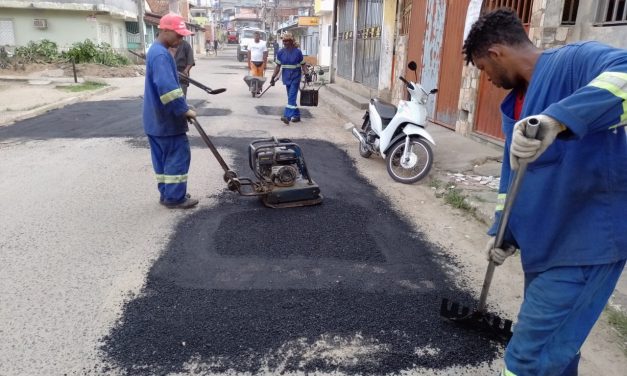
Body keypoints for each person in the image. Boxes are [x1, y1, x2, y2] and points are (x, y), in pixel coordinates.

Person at [463, 9, 627, 376]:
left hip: (584, 244)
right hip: (545, 247)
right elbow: (514, 179)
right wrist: (503, 232)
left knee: (529, 360)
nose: (487, 80)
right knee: (558, 350)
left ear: (496, 52)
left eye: (483, 69)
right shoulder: (515, 104)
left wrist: (561, 119)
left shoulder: (574, 62)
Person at [143, 13, 198, 209]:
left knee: (162, 160)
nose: (181, 39)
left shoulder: (156, 51)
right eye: (178, 34)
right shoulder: (161, 54)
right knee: (177, 157)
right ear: (165, 30)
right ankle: (175, 198)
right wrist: (184, 110)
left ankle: (167, 194)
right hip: (167, 122)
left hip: (155, 121)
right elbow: (167, 89)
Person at [270, 32, 309, 125]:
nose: (285, 43)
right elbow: (278, 66)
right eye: (284, 41)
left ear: (291, 41)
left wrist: (307, 75)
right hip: (286, 77)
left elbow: (303, 65)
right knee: (291, 97)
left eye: (287, 41)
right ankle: (297, 115)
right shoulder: (280, 52)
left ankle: (287, 116)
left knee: (291, 97)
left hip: (296, 76)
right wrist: (272, 77)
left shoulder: (298, 52)